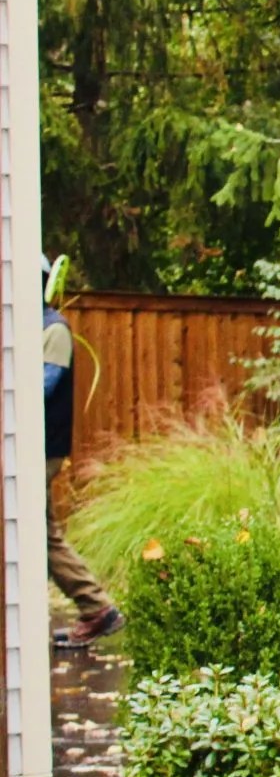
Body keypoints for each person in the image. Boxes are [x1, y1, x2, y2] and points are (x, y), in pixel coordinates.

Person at [42, 258, 120, 646]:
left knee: (39, 534)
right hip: (35, 449)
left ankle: (97, 607)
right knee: (41, 534)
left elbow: (42, 385)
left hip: (43, 449)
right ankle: (96, 608)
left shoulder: (53, 328)